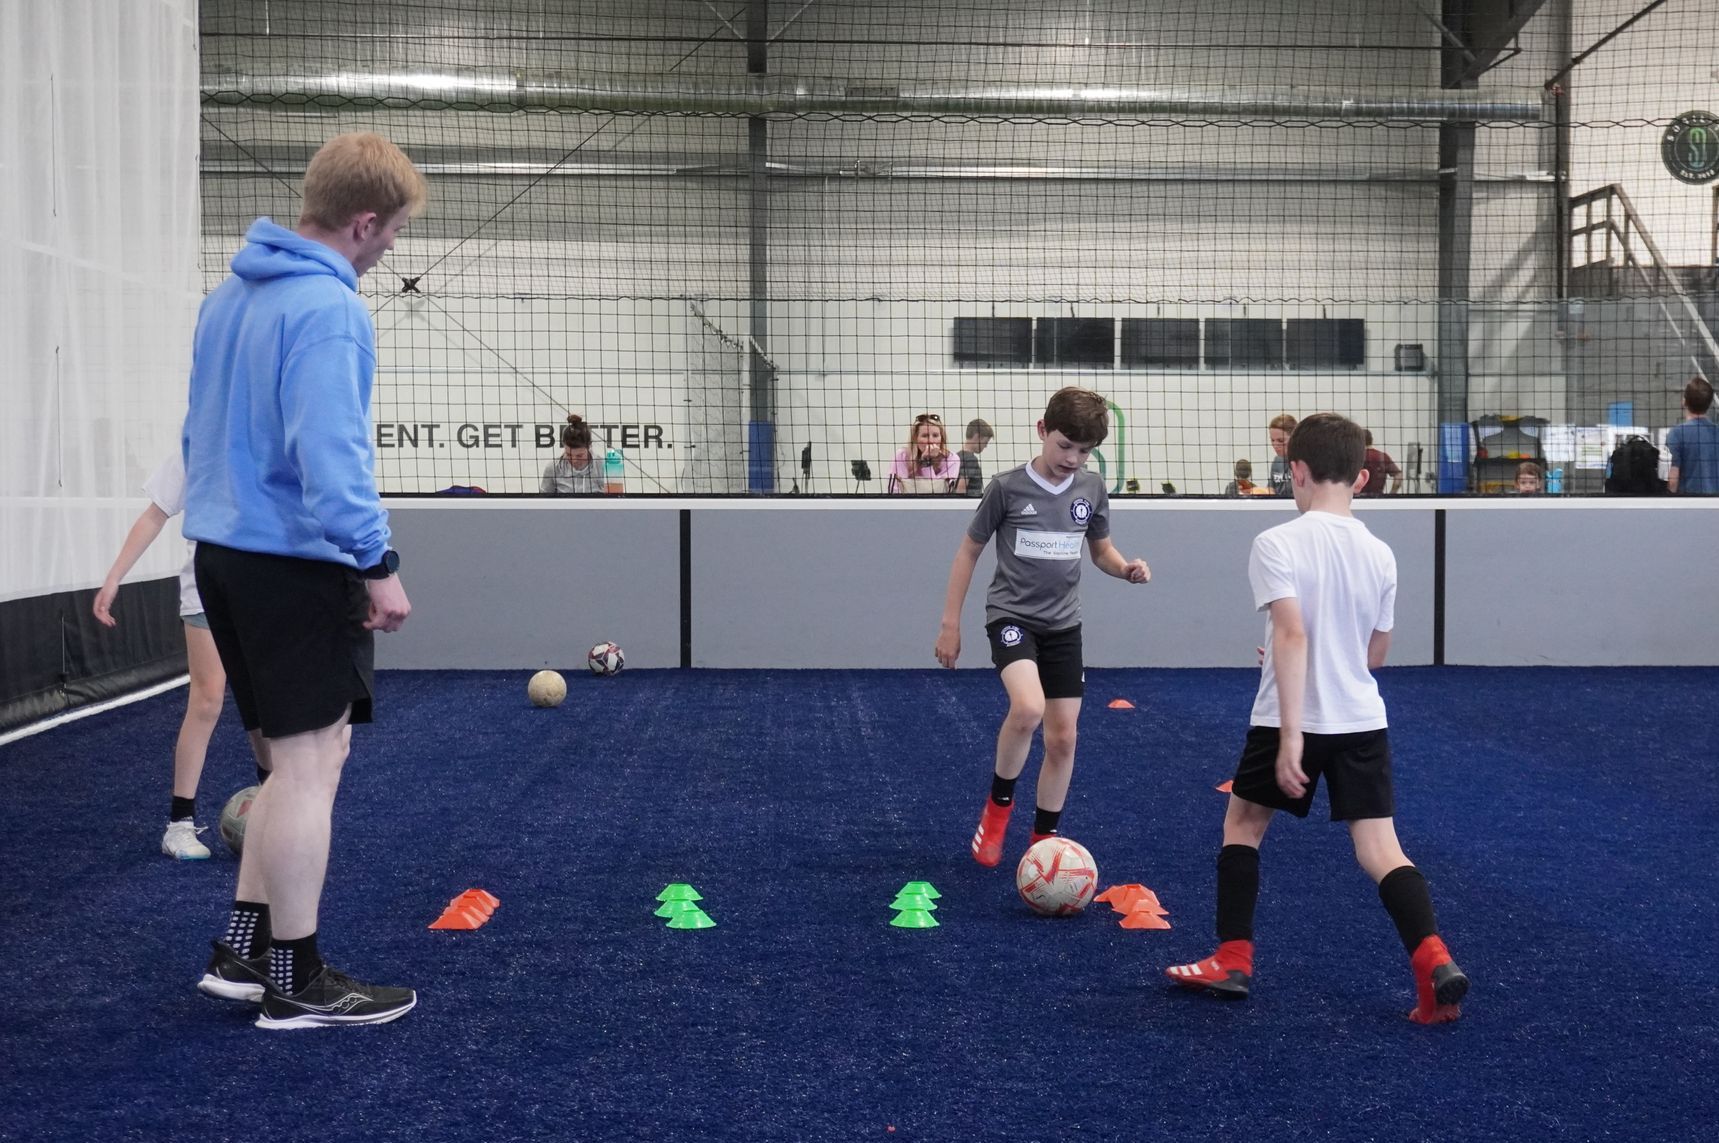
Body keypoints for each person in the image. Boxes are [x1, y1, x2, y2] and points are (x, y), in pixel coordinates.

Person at [182, 132, 427, 1029]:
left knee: (300, 762)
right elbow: (330, 451)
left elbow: (194, 437)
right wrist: (376, 562)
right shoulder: (329, 310)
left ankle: (244, 954)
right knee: (308, 766)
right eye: (395, 228)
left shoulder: (226, 299)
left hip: (223, 557)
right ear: (364, 222)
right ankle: (300, 979)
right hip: (293, 562)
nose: (395, 244)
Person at [1163, 412, 1469, 1024]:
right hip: (1361, 718)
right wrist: (1294, 655)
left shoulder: (1276, 543)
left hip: (1289, 719)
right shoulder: (1381, 553)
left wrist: (1293, 733)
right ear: (1360, 477)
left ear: (1294, 471)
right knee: (1382, 848)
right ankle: (1434, 962)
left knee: (1243, 827)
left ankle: (1232, 958)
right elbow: (1373, 655)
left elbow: (1296, 633)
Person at [934, 387, 1151, 867]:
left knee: (1063, 738)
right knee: (1028, 708)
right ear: (1041, 431)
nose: (1072, 458)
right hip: (1011, 619)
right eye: (1064, 445)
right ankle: (996, 812)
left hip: (1063, 627)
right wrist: (951, 625)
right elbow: (968, 551)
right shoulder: (1007, 488)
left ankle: (1042, 843)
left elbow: (1101, 551)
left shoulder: (1091, 489)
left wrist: (1125, 569)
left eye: (1083, 451)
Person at [93, 449, 272, 860]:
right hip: (206, 592)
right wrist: (114, 578)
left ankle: (273, 798)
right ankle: (179, 825)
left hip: (264, 594)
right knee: (207, 698)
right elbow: (155, 513)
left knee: (260, 701)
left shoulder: (270, 442)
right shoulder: (196, 446)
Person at [1667, 376, 1719, 494]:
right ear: (1709, 403)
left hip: (1689, 503)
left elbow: (1673, 480)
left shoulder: (1677, 434)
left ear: (1684, 401)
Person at [888, 412, 961, 493]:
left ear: (942, 438)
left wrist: (927, 462)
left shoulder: (951, 459)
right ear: (915, 439)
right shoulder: (902, 456)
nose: (931, 440)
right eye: (925, 436)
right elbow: (894, 491)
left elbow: (938, 493)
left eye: (935, 435)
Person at [540, 414, 603, 494]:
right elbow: (543, 503)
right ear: (563, 445)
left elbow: (613, 502)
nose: (574, 460)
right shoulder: (553, 468)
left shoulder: (603, 467)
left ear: (589, 446)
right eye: (569, 454)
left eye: (579, 455)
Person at [956, 418, 994, 496]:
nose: (986, 446)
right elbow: (961, 489)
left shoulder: (956, 457)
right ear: (978, 437)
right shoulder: (970, 460)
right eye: (985, 442)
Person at [1360, 430, 1403, 496]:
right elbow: (1398, 476)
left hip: (1358, 500)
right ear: (1371, 440)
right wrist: (1392, 494)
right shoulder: (1382, 456)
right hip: (1378, 498)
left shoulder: (1355, 457)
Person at [1266, 413, 1296, 495]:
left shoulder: (1304, 462)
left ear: (1294, 437)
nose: (1275, 445)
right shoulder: (1277, 461)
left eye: (1281, 440)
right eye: (1272, 440)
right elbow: (1270, 489)